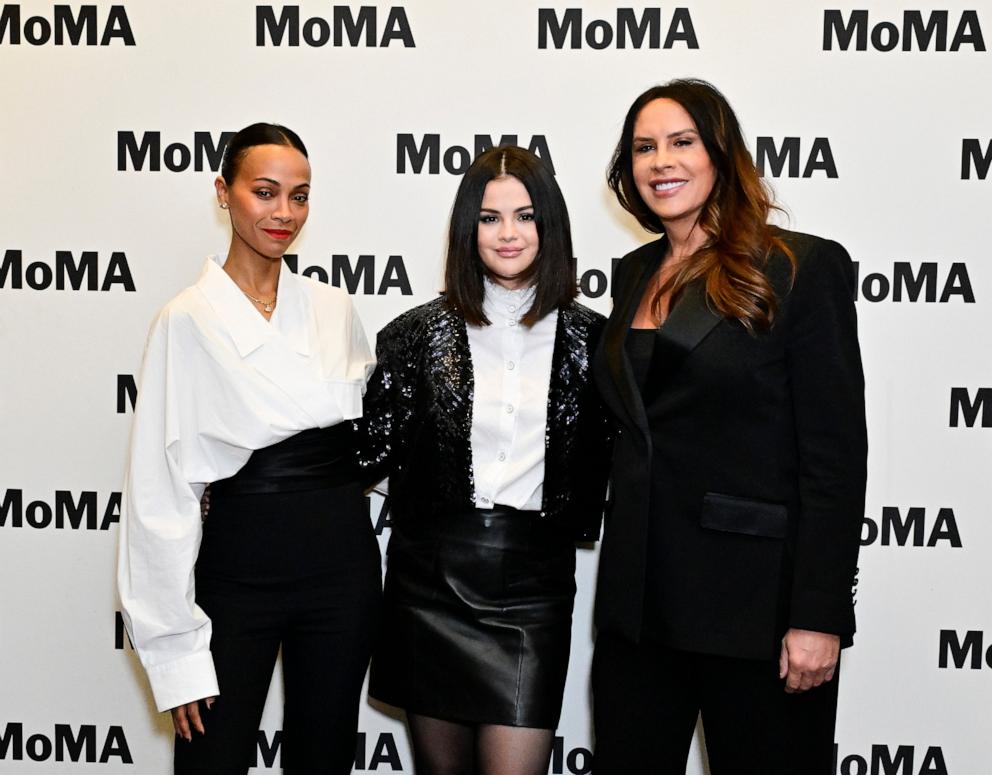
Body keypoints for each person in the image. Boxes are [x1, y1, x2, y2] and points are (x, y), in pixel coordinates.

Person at [591, 80, 867, 775]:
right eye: (644, 147)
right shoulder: (633, 275)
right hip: (638, 611)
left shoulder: (798, 267)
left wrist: (818, 614)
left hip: (756, 612)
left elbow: (833, 458)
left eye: (682, 142)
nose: (661, 161)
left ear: (721, 153)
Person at [117, 123, 380, 774]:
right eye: (265, 192)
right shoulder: (185, 318)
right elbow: (160, 487)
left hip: (342, 567)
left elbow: (369, 443)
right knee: (212, 758)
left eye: (300, 196)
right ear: (223, 193)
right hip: (237, 571)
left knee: (324, 759)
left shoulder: (332, 307)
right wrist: (175, 647)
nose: (284, 212)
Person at [357, 145, 612, 775]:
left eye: (525, 216)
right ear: (467, 229)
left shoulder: (597, 340)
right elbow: (360, 454)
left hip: (534, 589)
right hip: (429, 582)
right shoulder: (414, 334)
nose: (507, 234)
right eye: (489, 218)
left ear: (549, 226)